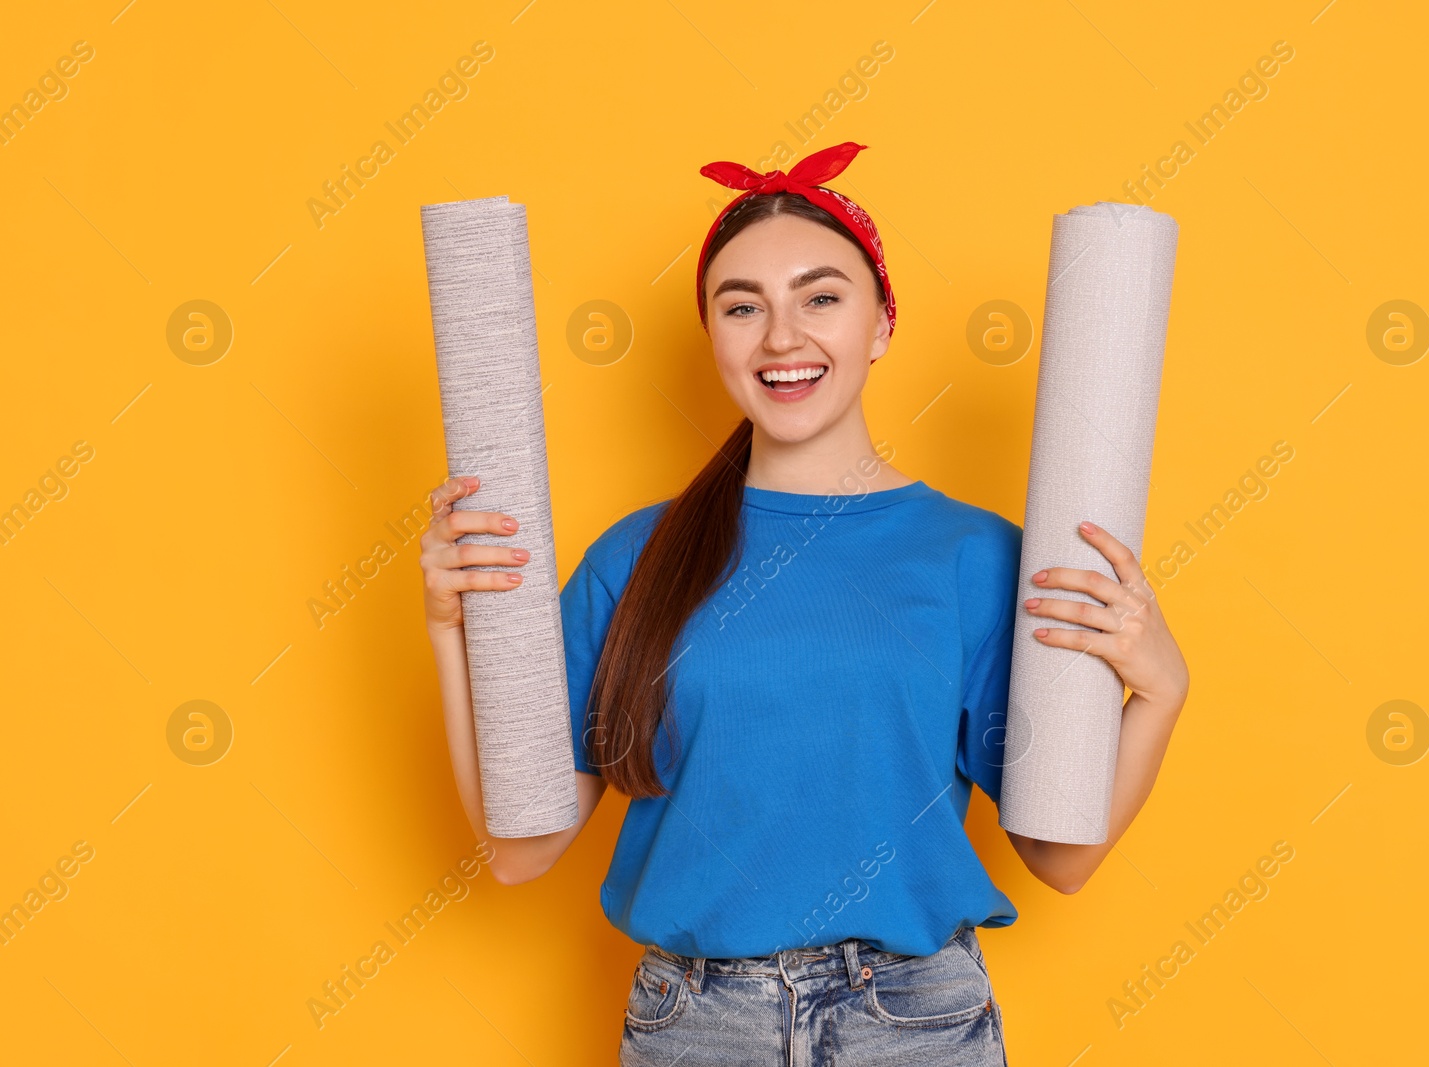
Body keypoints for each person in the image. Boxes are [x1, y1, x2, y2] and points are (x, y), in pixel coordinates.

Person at [419, 142, 1189, 1065]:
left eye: (820, 298)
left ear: (881, 324)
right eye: (742, 307)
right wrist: (446, 629)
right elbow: (521, 850)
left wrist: (1163, 692)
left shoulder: (977, 557)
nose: (781, 337)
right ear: (713, 336)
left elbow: (1063, 856)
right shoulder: (638, 558)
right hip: (698, 1026)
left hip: (915, 1022)